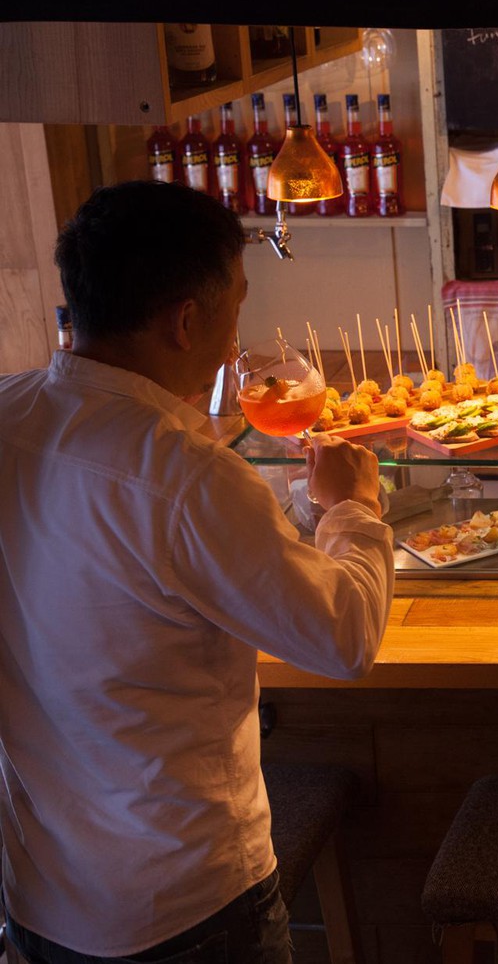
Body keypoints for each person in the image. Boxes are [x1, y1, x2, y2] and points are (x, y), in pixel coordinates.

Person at [0, 181, 394, 964]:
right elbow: (343, 638)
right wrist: (352, 507)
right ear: (188, 319)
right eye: (237, 306)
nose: (236, 334)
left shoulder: (9, 414)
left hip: (39, 897)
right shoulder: (184, 475)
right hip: (183, 906)